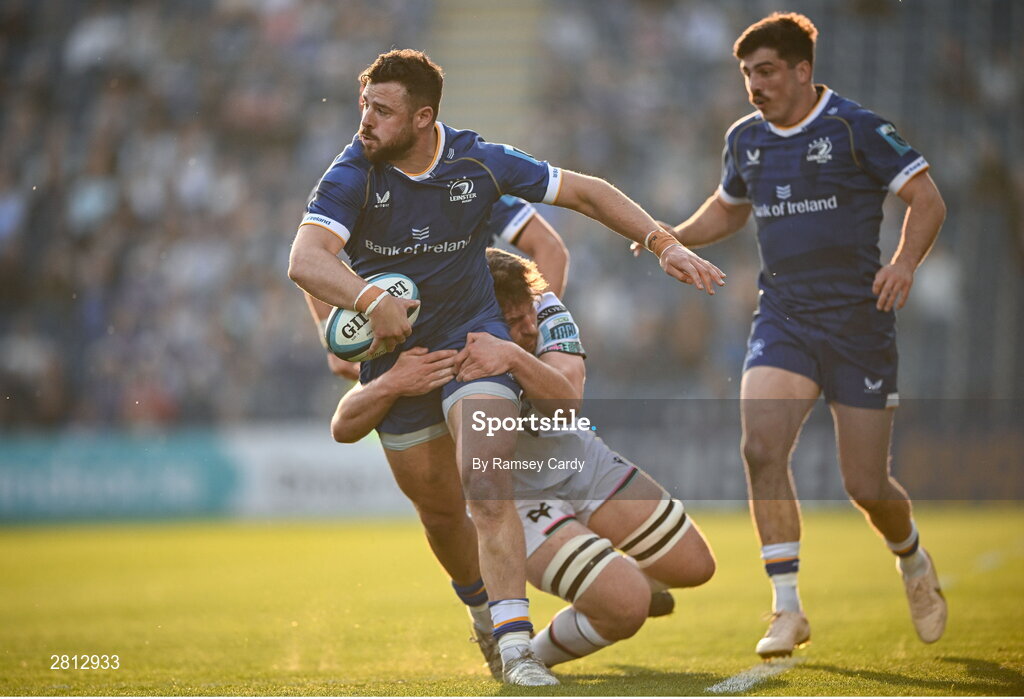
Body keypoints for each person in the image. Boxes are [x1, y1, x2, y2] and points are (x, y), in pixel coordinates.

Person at [287, 49, 724, 685]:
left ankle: (519, 649)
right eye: (363, 107)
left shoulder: (477, 162)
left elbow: (583, 193)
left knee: (487, 492)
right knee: (441, 514)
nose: (365, 122)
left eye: (381, 111)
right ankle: (486, 618)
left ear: (423, 117)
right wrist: (364, 305)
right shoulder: (352, 172)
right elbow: (305, 260)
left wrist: (662, 241)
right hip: (400, 361)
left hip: (475, 348)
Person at [659, 13, 948, 658]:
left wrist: (902, 265)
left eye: (765, 72)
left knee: (866, 486)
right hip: (783, 317)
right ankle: (786, 608)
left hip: (856, 324)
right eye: (746, 74)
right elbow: (728, 208)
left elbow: (927, 200)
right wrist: (669, 234)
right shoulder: (744, 139)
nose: (754, 85)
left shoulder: (857, 127)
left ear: (801, 71)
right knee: (761, 449)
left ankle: (912, 559)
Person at [332, 248, 717, 676]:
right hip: (517, 501)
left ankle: (611, 584)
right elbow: (343, 424)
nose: (529, 327)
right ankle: (529, 652)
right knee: (626, 607)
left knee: (696, 566)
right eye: (513, 323)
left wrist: (512, 353)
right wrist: (392, 384)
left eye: (528, 314)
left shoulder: (545, 306)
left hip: (578, 458)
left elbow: (566, 404)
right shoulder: (445, 337)